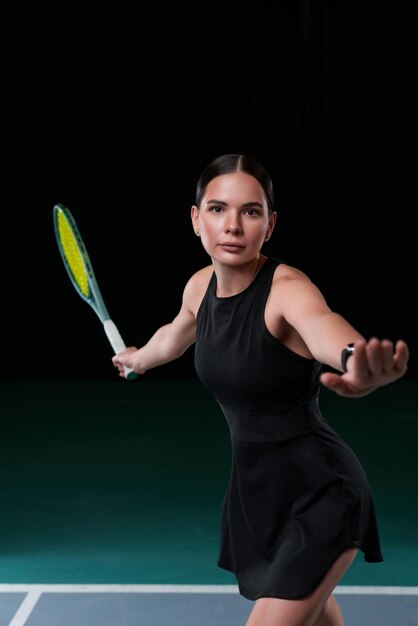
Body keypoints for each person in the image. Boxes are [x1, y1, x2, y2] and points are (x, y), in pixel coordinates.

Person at [112, 154, 409, 626]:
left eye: (250, 212)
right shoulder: (199, 287)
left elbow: (324, 327)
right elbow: (174, 335)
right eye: (217, 209)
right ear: (196, 219)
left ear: (269, 225)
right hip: (259, 495)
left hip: (322, 494)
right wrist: (137, 359)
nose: (232, 225)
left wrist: (356, 361)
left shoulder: (287, 289)